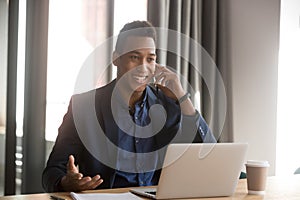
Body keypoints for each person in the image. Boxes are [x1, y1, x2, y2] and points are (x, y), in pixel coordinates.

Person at [42, 20, 216, 192]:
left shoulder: (167, 104)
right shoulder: (83, 107)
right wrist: (66, 182)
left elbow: (210, 154)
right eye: (134, 57)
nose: (143, 67)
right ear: (116, 58)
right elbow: (52, 171)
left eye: (150, 59)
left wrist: (182, 97)